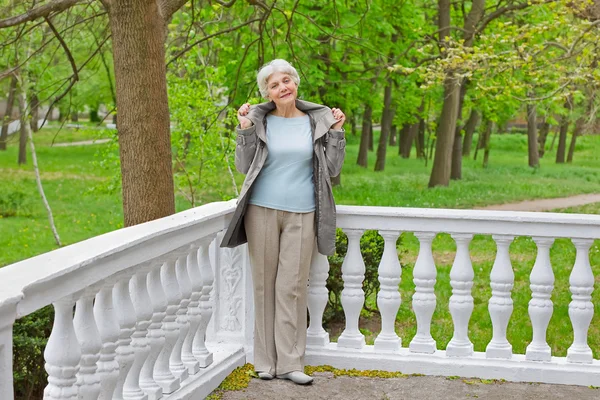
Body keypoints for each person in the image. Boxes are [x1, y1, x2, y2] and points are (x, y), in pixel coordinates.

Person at [221, 59, 346, 385]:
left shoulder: (316, 121)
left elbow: (332, 170)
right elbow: (243, 166)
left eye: (287, 80)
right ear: (268, 93)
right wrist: (245, 130)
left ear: (296, 83)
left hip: (303, 212)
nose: (283, 87)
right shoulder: (260, 121)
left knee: (291, 288)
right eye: (275, 85)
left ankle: (292, 363)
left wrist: (336, 133)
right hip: (261, 211)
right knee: (264, 285)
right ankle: (265, 361)